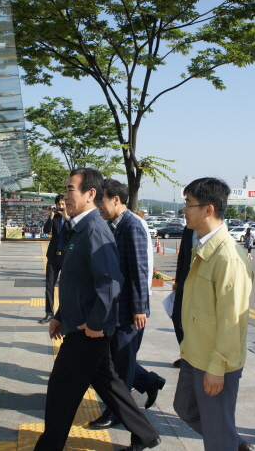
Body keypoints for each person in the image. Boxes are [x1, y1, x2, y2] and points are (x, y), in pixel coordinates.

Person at [34, 168, 160, 451]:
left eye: (70, 190)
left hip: (87, 329)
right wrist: (60, 316)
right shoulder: (80, 227)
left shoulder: (94, 229)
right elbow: (79, 282)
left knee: (61, 391)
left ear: (90, 194)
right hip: (79, 322)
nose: (65, 197)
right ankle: (146, 434)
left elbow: (110, 282)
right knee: (109, 384)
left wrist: (95, 324)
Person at [173, 177, 255, 451]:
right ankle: (232, 442)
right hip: (194, 352)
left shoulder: (227, 256)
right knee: (184, 408)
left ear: (208, 209)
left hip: (214, 360)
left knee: (216, 435)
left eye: (188, 204)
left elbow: (233, 319)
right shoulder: (202, 244)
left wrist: (218, 367)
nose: (184, 210)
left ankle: (226, 442)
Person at [90, 179, 165, 430]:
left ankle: (116, 412)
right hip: (117, 307)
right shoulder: (114, 224)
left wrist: (140, 308)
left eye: (101, 200)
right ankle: (149, 382)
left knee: (119, 363)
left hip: (129, 310)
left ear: (116, 199)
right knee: (115, 359)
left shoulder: (132, 226)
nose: (98, 205)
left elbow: (140, 269)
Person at [39, 194, 70, 324]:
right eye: (59, 205)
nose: (61, 207)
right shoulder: (55, 217)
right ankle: (49, 313)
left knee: (65, 286)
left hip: (66, 257)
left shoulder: (71, 217)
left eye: (63, 204)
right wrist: (51, 216)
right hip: (52, 256)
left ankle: (63, 314)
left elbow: (75, 231)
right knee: (49, 285)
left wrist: (67, 218)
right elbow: (46, 231)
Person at [171, 226, 195, 368]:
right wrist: (177, 280)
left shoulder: (212, 230)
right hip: (184, 281)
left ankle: (193, 357)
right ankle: (186, 354)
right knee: (177, 317)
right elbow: (183, 255)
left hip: (200, 284)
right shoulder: (188, 229)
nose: (185, 211)